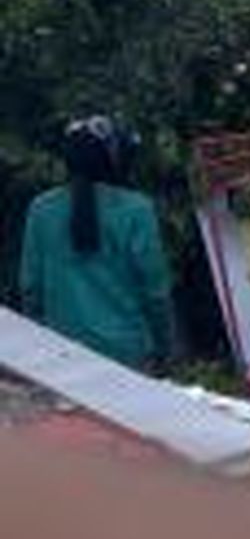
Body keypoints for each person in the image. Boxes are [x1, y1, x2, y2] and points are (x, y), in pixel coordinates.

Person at [19, 116, 173, 371]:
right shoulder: (136, 208)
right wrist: (165, 350)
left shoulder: (41, 210)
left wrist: (42, 348)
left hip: (63, 360)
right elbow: (155, 291)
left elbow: (30, 289)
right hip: (130, 355)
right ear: (113, 158)